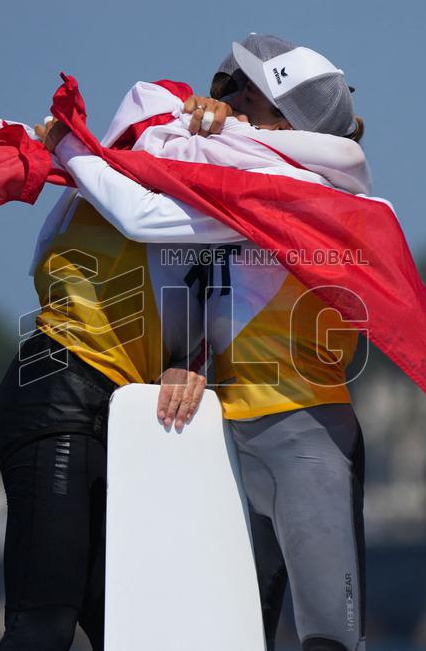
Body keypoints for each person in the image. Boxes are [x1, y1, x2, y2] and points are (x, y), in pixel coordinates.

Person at [38, 34, 371, 651]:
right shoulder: (230, 169)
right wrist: (183, 360)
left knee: (330, 640)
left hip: (308, 441)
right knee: (238, 634)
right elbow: (190, 277)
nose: (235, 98)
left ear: (289, 126)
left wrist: (69, 147)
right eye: (234, 86)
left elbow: (142, 215)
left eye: (256, 98)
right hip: (227, 435)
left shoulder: (303, 188)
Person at [0, 109, 214, 649]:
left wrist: (191, 361)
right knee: (42, 628)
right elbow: (143, 220)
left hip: (109, 414)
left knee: (128, 635)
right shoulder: (122, 194)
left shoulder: (185, 213)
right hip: (57, 397)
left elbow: (197, 316)